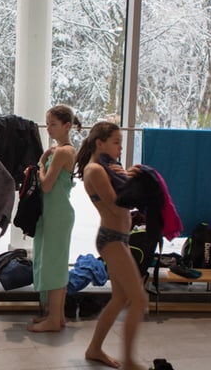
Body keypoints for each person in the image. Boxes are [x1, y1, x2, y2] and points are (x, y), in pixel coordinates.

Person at [74, 121, 147, 370]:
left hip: (119, 238)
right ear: (100, 143)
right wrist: (132, 180)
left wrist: (127, 177)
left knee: (121, 298)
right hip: (111, 239)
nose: (120, 148)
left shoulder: (105, 169)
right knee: (139, 299)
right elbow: (117, 206)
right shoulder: (95, 170)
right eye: (116, 142)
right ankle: (129, 361)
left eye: (121, 143)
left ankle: (94, 349)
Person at [28, 104, 79, 332]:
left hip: (57, 212)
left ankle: (54, 319)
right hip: (53, 212)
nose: (48, 128)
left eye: (53, 124)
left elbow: (47, 185)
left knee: (55, 265)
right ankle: (56, 316)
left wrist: (40, 165)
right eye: (47, 124)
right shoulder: (61, 150)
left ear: (67, 126)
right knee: (51, 262)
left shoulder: (62, 152)